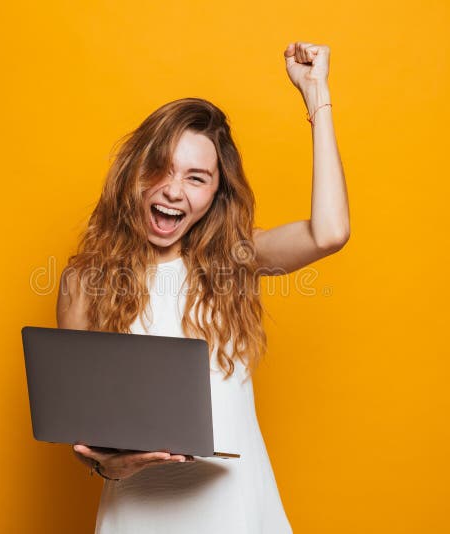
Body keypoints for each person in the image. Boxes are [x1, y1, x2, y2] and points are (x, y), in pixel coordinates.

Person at [56, 41, 349, 534]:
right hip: (135, 515)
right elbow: (82, 433)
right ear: (134, 173)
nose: (174, 191)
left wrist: (316, 97)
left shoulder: (237, 259)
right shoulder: (83, 281)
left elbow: (330, 233)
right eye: (163, 170)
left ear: (216, 194)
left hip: (236, 513)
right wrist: (108, 465)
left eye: (196, 178)